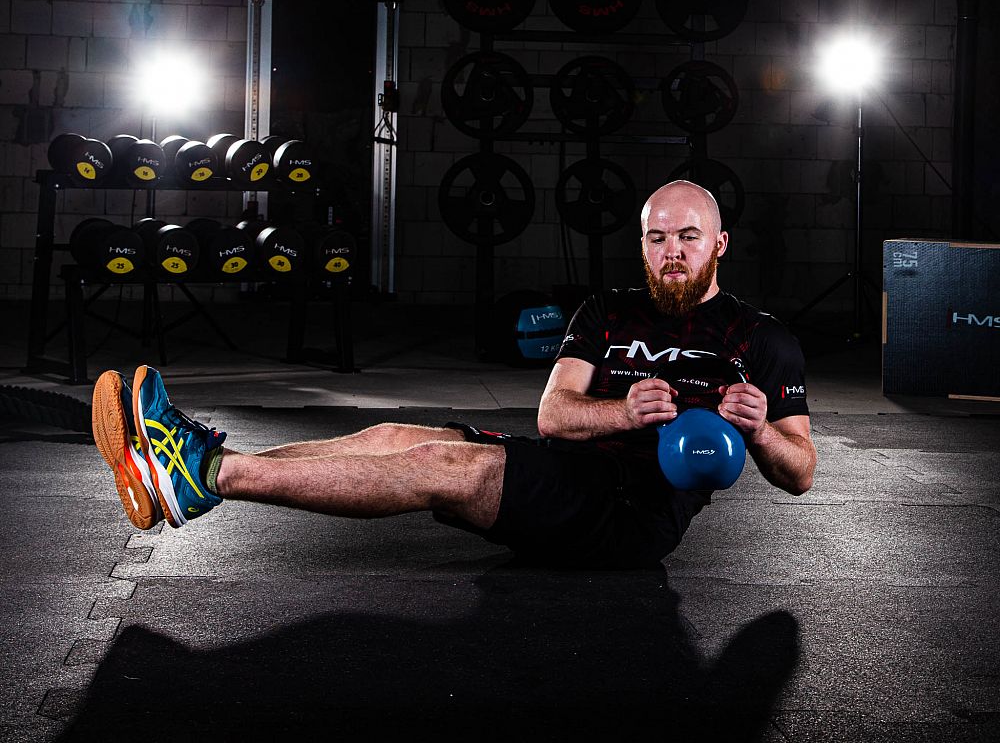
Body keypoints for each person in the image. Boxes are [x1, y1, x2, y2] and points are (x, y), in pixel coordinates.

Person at [92, 180, 816, 569]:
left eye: (688, 237)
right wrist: (623, 411)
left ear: (719, 244)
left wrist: (758, 433)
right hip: (567, 469)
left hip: (631, 514)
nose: (671, 253)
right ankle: (194, 468)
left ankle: (204, 474)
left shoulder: (761, 339)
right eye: (657, 238)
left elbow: (801, 470)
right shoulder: (607, 310)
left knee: (443, 467)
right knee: (392, 435)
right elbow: (554, 414)